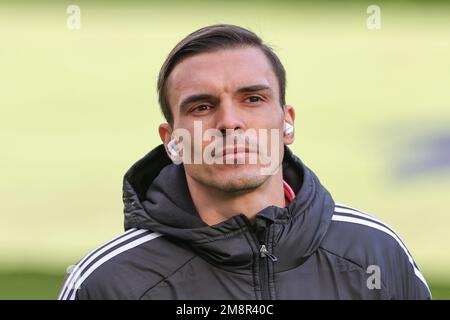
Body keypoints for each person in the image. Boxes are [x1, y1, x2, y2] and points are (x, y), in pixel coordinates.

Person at [58, 24, 431, 300]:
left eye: (252, 99)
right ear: (172, 142)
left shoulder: (375, 254)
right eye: (202, 106)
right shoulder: (109, 283)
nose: (229, 122)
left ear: (287, 123)